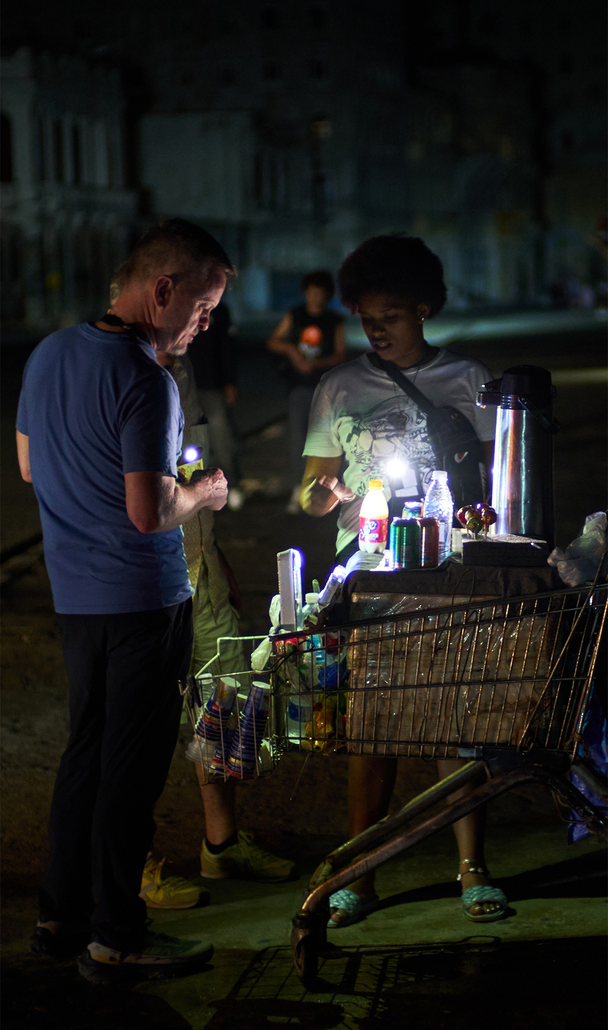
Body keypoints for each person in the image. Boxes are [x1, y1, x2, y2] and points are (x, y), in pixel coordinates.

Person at [17, 218, 234, 984]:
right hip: (143, 600)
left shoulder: (48, 354)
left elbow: (29, 467)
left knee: (84, 754)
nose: (205, 325)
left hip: (77, 598)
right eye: (203, 308)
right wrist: (200, 494)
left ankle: (58, 917)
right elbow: (148, 513)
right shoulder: (146, 379)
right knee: (130, 769)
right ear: (163, 290)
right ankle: (117, 934)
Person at [300, 234, 508, 928]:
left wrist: (485, 517)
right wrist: (325, 495)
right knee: (374, 727)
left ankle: (473, 867)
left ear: (424, 308)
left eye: (390, 314)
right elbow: (309, 495)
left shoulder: (470, 380)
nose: (376, 328)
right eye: (365, 316)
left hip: (451, 577)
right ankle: (362, 869)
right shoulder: (338, 385)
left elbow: (500, 488)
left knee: (456, 721)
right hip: (370, 578)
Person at [143, 345, 294, 902]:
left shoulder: (182, 365)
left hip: (199, 567)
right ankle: (131, 863)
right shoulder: (116, 367)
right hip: (142, 579)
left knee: (225, 701)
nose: (209, 323)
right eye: (201, 304)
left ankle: (221, 845)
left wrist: (214, 551)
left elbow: (188, 468)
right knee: (138, 725)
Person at [267, 270, 346, 513]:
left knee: (328, 442)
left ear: (327, 295)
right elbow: (273, 341)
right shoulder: (297, 314)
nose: (314, 297)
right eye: (311, 292)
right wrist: (292, 352)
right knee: (298, 441)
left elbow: (341, 354)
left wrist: (315, 364)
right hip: (299, 387)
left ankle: (328, 492)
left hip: (325, 389)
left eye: (319, 293)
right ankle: (297, 490)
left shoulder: (334, 320)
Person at [187, 301, 244, 510]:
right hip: (186, 385)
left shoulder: (219, 310)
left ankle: (233, 485)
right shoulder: (182, 305)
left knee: (223, 439)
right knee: (191, 442)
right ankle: (195, 491)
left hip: (213, 384)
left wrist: (230, 381)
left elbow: (227, 346)